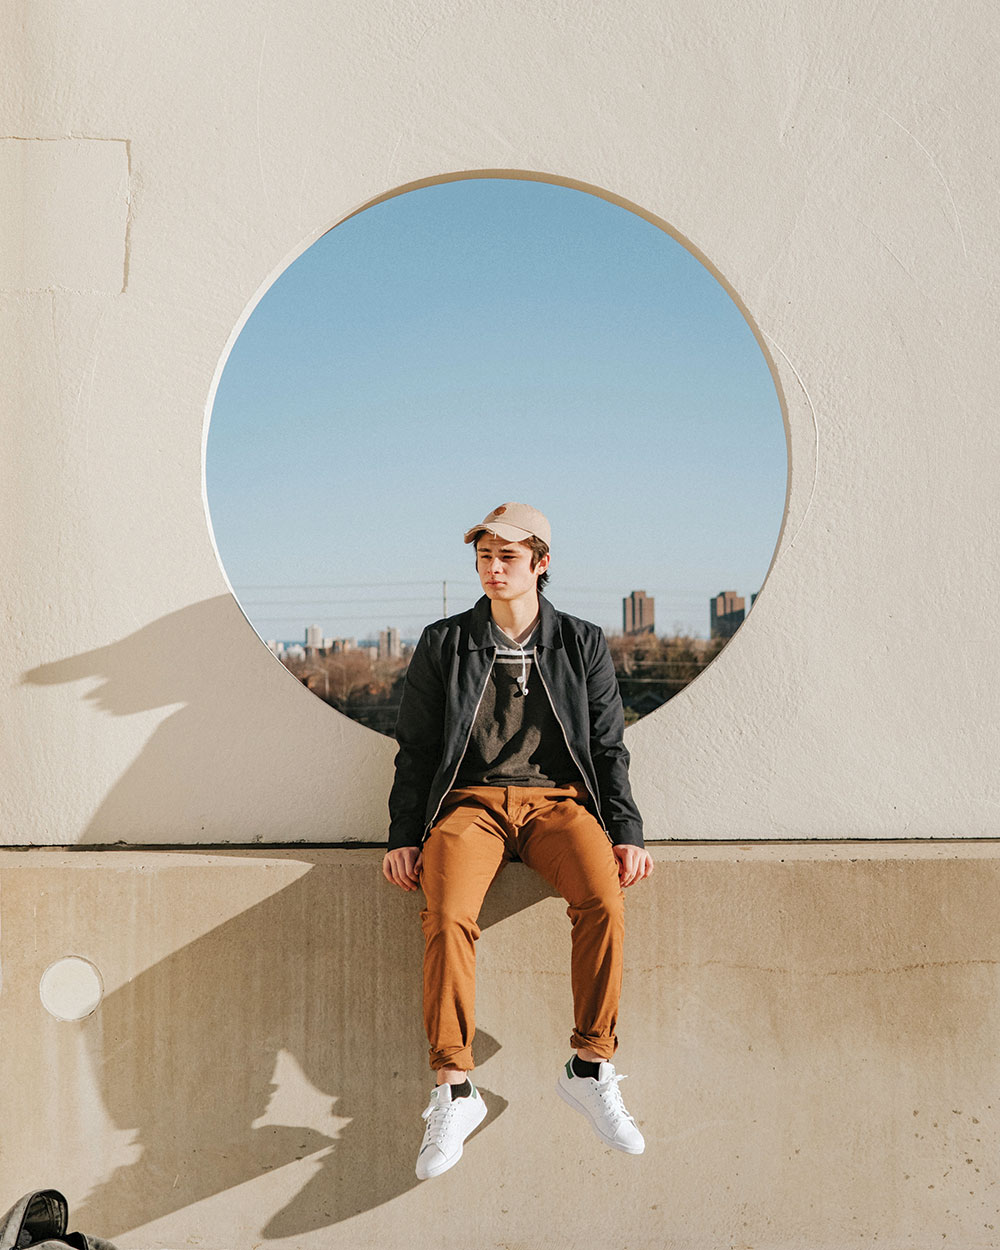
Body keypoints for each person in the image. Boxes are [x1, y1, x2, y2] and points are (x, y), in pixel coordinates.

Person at [382, 502, 654, 1180]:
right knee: (445, 917)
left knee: (604, 901)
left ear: (541, 563)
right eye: (483, 557)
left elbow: (609, 746)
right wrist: (403, 835)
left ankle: (590, 1067)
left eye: (507, 557)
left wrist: (625, 830)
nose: (493, 568)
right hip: (469, 807)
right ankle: (454, 1088)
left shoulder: (581, 643)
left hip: (559, 806)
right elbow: (414, 749)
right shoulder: (444, 643)